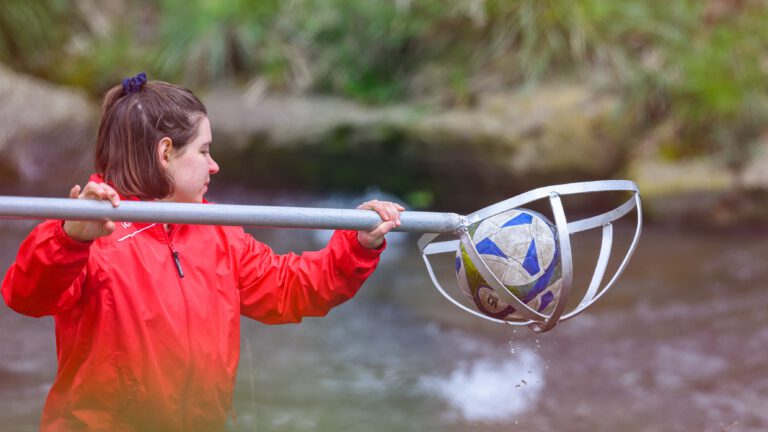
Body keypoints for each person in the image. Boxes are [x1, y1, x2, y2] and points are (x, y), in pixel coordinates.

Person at [1, 72, 404, 431]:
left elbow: (290, 289)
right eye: (204, 150)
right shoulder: (85, 228)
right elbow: (25, 295)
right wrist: (71, 239)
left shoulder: (217, 232)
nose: (215, 166)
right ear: (165, 154)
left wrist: (357, 244)